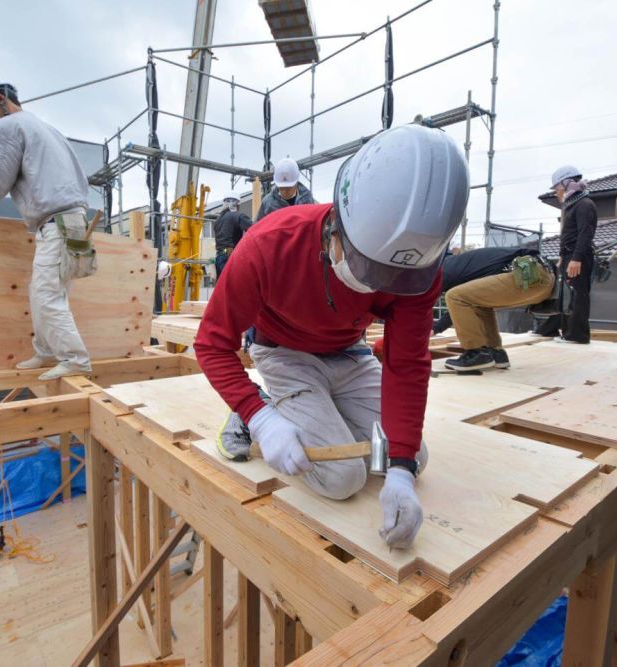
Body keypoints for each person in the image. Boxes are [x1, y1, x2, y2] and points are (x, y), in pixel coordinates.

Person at [194, 124, 469, 549]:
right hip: (284, 353)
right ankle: (255, 414)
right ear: (336, 224)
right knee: (343, 478)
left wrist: (399, 472)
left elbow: (407, 363)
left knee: (410, 458)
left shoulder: (417, 272)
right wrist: (261, 418)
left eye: (393, 275)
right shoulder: (269, 244)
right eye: (366, 266)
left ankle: (318, 414)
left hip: (349, 353)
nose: (376, 283)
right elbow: (212, 343)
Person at [0, 74, 92, 381]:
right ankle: (46, 351)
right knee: (45, 291)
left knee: (47, 293)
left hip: (58, 223)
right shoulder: (45, 127)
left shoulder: (8, 126)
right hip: (75, 223)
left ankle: (75, 359)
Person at [440, 247, 555, 371]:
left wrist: (433, 328)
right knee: (476, 300)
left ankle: (476, 353)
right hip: (541, 275)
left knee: (454, 296)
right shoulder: (458, 265)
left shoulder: (441, 272)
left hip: (526, 272)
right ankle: (495, 352)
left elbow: (454, 303)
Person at [537, 165, 598, 344]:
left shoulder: (584, 204)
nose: (556, 192)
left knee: (578, 294)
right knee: (566, 295)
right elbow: (568, 235)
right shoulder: (573, 204)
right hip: (570, 256)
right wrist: (563, 257)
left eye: (557, 187)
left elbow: (585, 233)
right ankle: (556, 329)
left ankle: (577, 335)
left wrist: (576, 258)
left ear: (566, 183)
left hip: (579, 256)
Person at [256, 157, 315, 222]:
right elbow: (257, 226)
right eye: (282, 188)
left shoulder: (306, 198)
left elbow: (313, 221)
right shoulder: (268, 202)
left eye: (288, 188)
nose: (285, 191)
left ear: (296, 183)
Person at [213, 191, 253, 280]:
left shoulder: (218, 220)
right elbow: (254, 229)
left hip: (219, 256)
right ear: (237, 204)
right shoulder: (238, 216)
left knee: (222, 288)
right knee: (234, 286)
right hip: (230, 256)